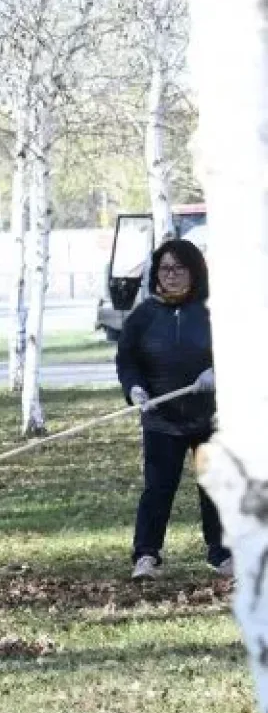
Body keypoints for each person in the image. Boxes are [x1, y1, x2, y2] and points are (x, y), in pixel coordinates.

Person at [116, 238, 228, 581]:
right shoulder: (143, 316)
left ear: (195, 271)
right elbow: (127, 360)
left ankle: (222, 554)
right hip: (161, 419)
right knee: (158, 488)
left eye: (180, 268)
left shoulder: (216, 310)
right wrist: (134, 388)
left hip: (209, 417)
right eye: (166, 268)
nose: (172, 274)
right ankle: (146, 556)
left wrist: (218, 372)